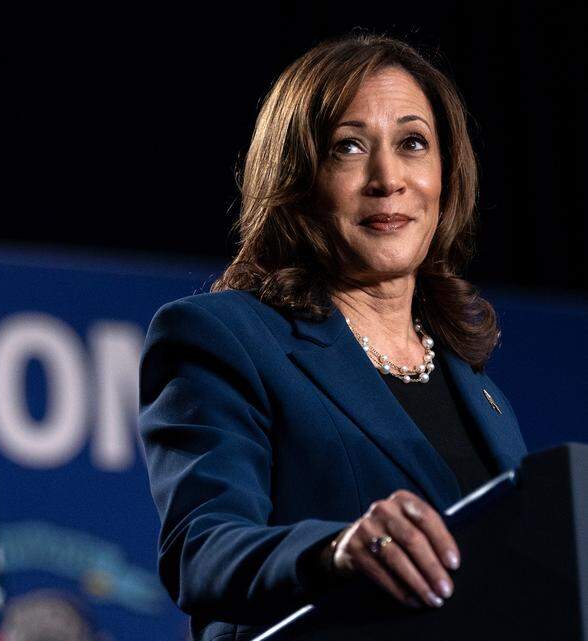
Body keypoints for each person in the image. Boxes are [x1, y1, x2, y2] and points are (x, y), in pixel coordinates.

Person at [137, 33, 529, 641]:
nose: (387, 178)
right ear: (297, 178)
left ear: (446, 175)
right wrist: (335, 552)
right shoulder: (223, 336)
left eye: (413, 143)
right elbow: (203, 551)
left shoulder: (484, 397)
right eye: (348, 147)